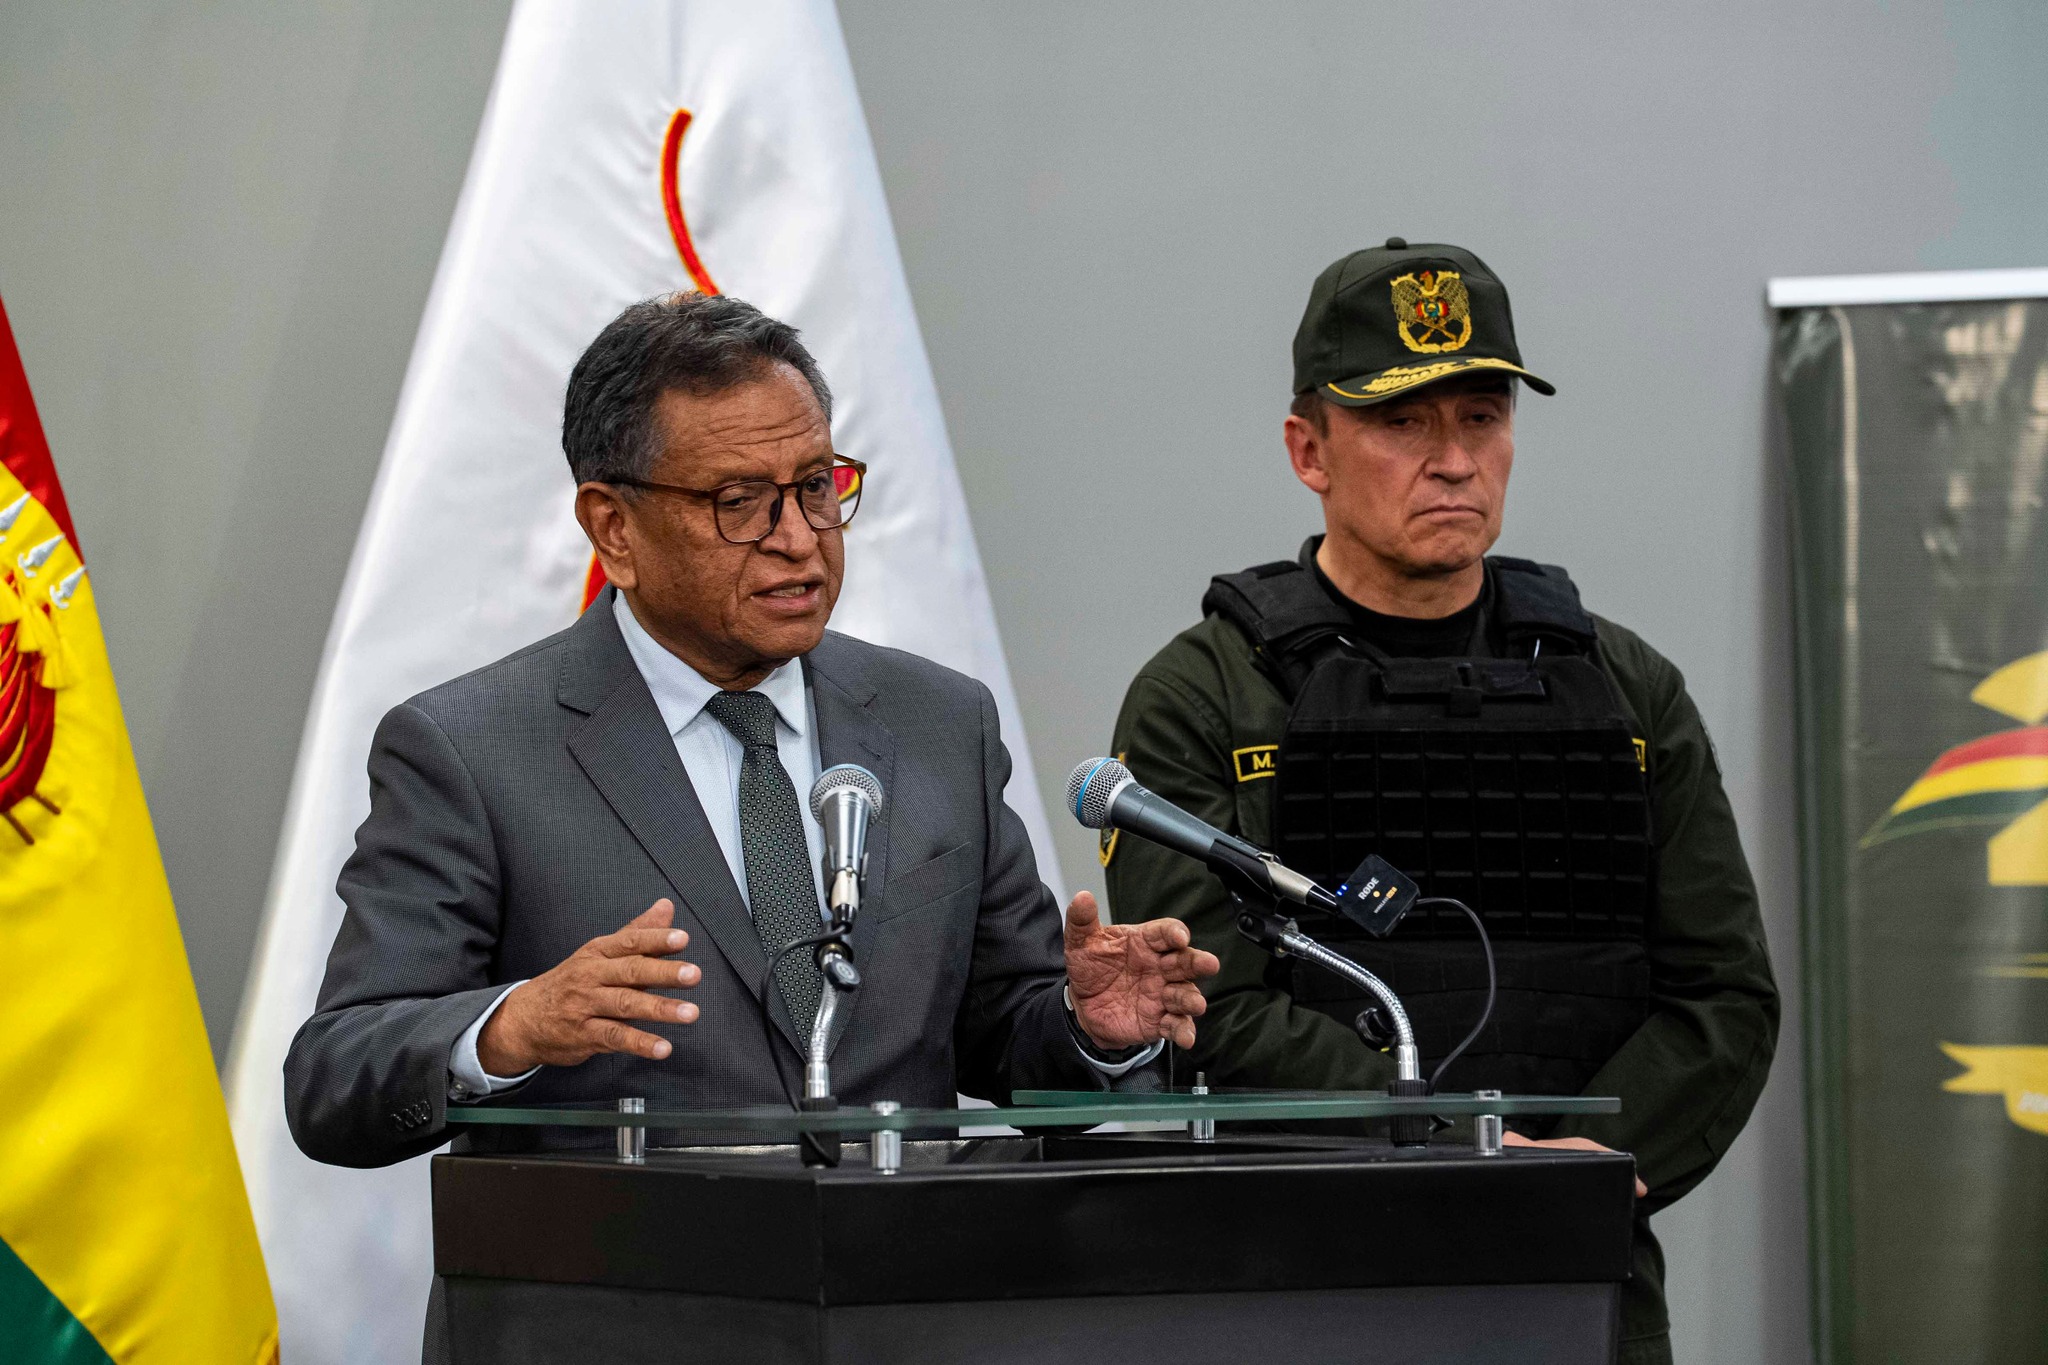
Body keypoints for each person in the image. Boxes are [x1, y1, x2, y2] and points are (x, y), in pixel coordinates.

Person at [284, 292, 1217, 1175]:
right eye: (741, 501)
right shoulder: (470, 749)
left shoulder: (941, 721)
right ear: (614, 529)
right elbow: (332, 1079)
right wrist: (510, 1024)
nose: (801, 538)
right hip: (622, 1314)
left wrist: (1087, 1027)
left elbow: (1003, 1034)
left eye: (816, 485)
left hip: (899, 1307)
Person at [1103, 239, 1779, 1365]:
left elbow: (1723, 995)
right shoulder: (1207, 694)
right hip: (1307, 1273)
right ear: (1306, 450)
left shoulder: (1625, 686)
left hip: (1574, 1264)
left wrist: (1571, 1169)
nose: (1452, 460)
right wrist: (1467, 1152)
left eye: (1479, 417)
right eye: (1402, 423)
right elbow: (1207, 1002)